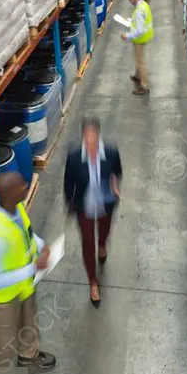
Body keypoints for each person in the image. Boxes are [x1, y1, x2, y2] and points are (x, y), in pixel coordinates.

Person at [0, 171, 56, 370]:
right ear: (10, 193)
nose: (26, 186)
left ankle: (28, 356)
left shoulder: (17, 209)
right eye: (21, 185)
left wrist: (41, 246)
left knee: (29, 325)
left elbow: (27, 234)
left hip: (25, 287)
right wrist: (32, 268)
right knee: (7, 344)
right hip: (6, 299)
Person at [63, 118, 122, 307]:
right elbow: (68, 183)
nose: (90, 142)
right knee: (88, 243)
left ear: (98, 135)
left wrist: (114, 186)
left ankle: (103, 244)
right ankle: (93, 283)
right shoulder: (73, 157)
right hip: (85, 206)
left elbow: (117, 171)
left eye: (93, 137)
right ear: (82, 137)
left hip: (105, 203)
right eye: (86, 138)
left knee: (103, 231)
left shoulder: (111, 153)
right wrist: (70, 203)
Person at [121, 0, 154, 95]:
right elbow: (141, 22)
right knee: (138, 59)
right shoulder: (143, 4)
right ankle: (138, 75)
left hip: (140, 38)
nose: (129, 1)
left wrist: (127, 36)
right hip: (144, 36)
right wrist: (131, 20)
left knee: (141, 62)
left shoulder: (139, 10)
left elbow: (139, 30)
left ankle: (144, 86)